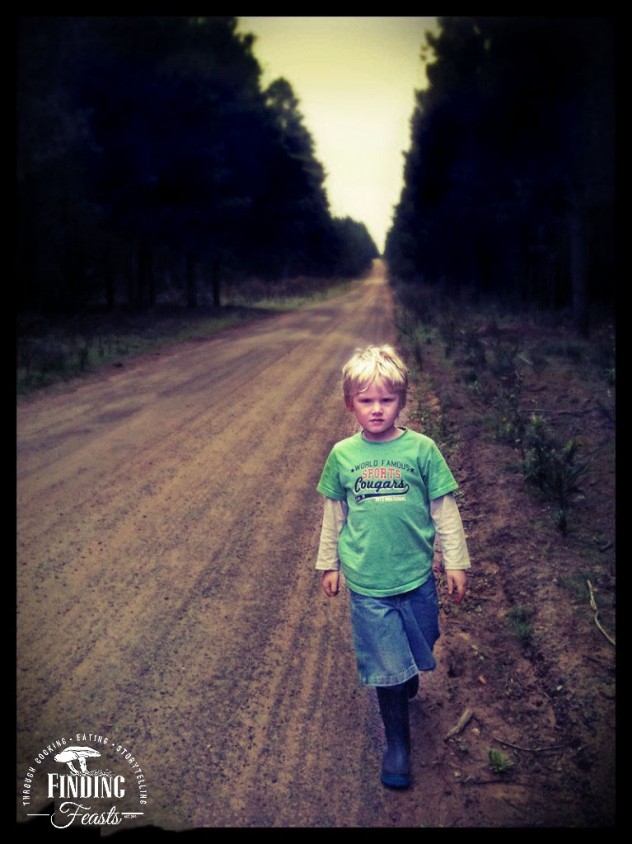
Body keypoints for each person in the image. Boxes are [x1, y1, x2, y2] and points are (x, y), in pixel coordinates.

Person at [315, 344, 471, 789]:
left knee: (426, 637)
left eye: (386, 400)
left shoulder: (422, 450)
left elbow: (444, 510)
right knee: (387, 666)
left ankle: (405, 676)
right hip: (368, 582)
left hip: (417, 577)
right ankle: (398, 746)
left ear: (402, 401)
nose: (377, 409)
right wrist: (330, 564)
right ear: (351, 404)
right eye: (366, 401)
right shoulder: (343, 456)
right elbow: (334, 515)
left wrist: (455, 560)